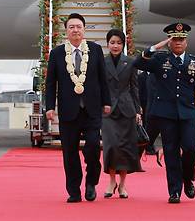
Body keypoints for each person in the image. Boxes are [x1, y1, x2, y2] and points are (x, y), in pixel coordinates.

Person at [134, 22, 195, 204]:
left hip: (188, 113)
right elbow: (138, 63)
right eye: (174, 39)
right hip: (166, 114)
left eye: (181, 39)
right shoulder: (160, 60)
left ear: (186, 42)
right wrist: (154, 48)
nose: (178, 42)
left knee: (191, 148)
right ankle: (174, 191)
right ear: (169, 42)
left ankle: (187, 177)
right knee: (171, 152)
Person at [45, 13, 111, 203]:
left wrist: (106, 102)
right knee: (70, 153)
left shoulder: (95, 50)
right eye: (71, 27)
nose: (75, 30)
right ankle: (74, 190)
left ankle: (91, 183)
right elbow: (51, 83)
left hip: (92, 109)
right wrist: (50, 106)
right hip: (68, 111)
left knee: (92, 147)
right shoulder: (57, 53)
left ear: (84, 29)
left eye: (79, 27)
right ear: (66, 31)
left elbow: (102, 79)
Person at [101, 29, 142, 199]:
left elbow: (134, 87)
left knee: (125, 148)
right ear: (108, 44)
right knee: (110, 147)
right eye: (112, 42)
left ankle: (123, 185)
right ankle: (111, 181)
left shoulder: (130, 62)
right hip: (108, 110)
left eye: (118, 42)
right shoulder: (102, 63)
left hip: (126, 109)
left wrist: (138, 110)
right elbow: (99, 87)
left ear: (123, 45)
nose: (115, 46)